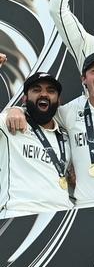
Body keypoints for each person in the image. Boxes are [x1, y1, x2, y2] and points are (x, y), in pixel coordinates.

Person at [5, 53, 94, 208]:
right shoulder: (67, 111)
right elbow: (40, 111)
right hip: (82, 210)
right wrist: (15, 110)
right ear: (83, 79)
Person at [0, 73, 72, 218]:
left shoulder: (65, 137)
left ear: (59, 101)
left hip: (62, 215)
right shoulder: (9, 122)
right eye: (36, 90)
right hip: (19, 215)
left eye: (51, 91)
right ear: (25, 99)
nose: (44, 94)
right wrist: (12, 109)